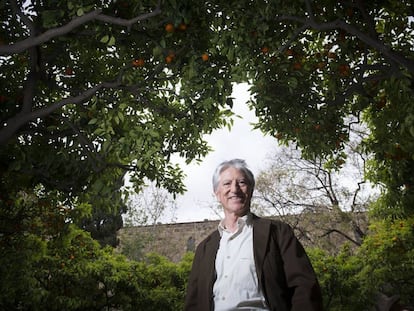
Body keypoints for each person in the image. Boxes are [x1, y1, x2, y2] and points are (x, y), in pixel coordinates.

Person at [184, 159, 323, 311]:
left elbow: (304, 285)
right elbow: (193, 302)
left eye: (242, 182)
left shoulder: (277, 233)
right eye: (227, 183)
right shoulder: (205, 248)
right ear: (217, 193)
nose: (234, 189)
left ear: (251, 190)